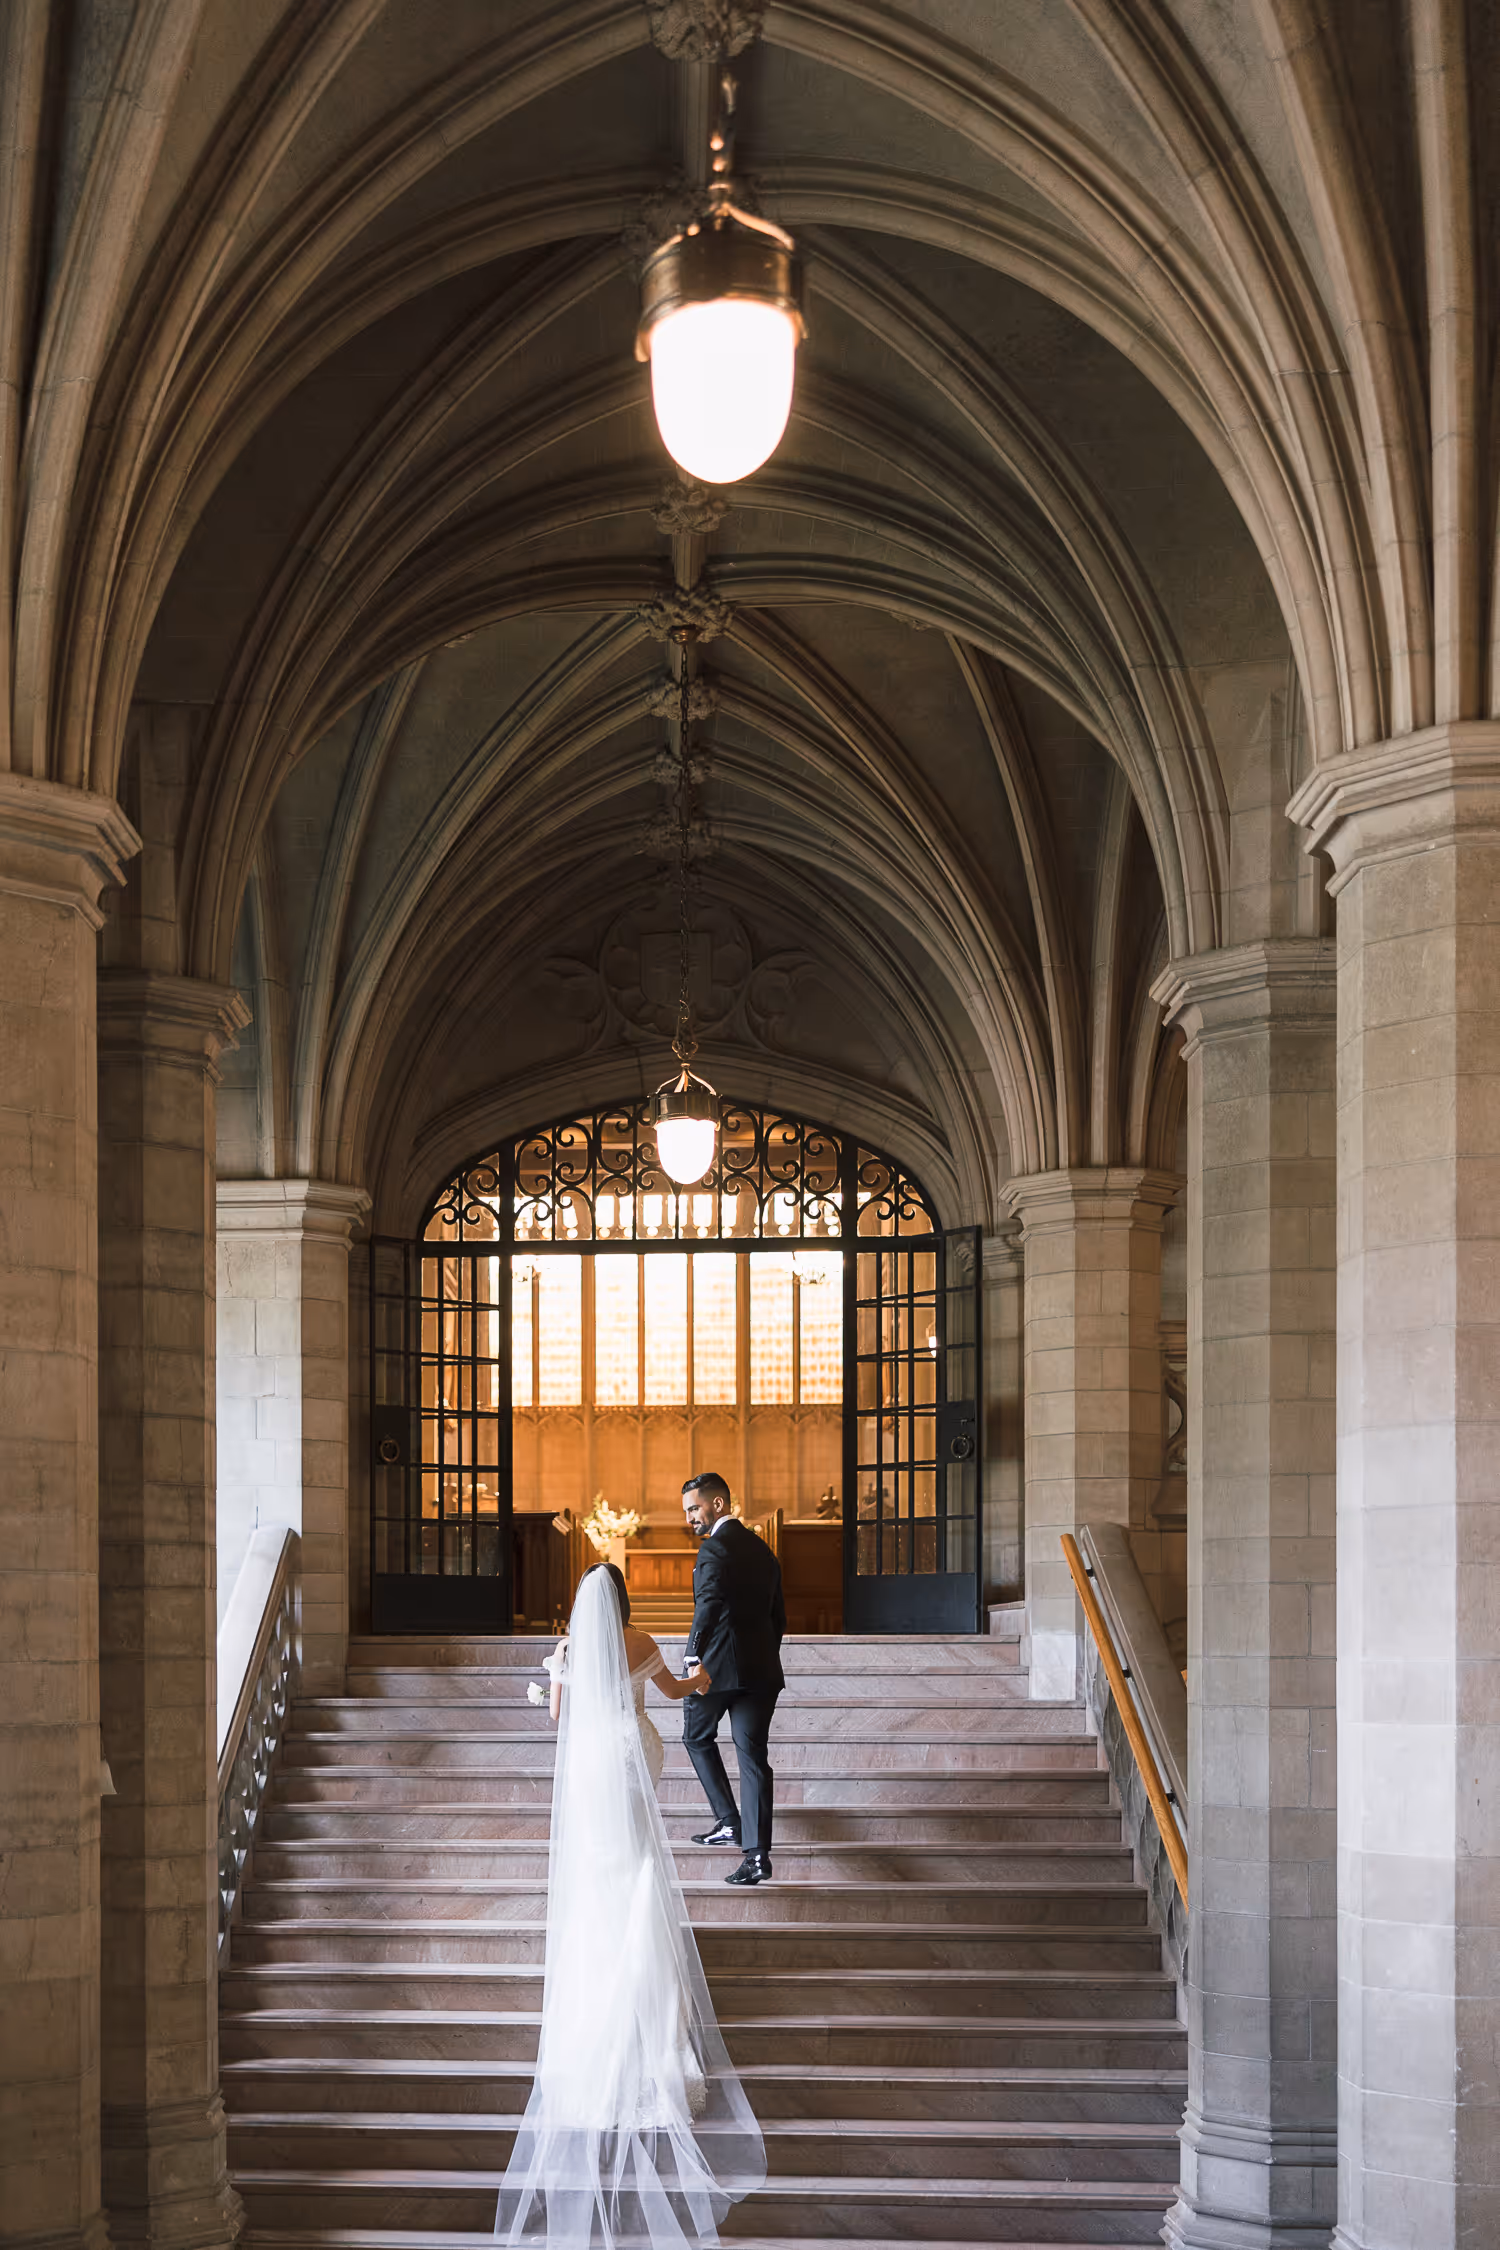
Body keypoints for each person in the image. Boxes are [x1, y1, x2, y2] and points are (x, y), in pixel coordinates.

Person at [496, 1562, 764, 2250]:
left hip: (591, 1761)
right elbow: (675, 1690)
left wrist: (551, 1684)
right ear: (622, 1599)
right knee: (640, 1860)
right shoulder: (639, 1640)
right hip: (631, 1750)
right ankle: (652, 2010)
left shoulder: (568, 1647)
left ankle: (602, 1985)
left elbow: (558, 1718)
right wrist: (704, 1675)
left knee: (598, 1870)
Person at [680, 1472, 786, 1887]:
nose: (690, 1517)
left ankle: (728, 1821)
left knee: (696, 1736)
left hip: (715, 1670)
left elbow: (706, 1605)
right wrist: (763, 1657)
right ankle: (757, 1856)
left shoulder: (714, 1549)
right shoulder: (764, 1551)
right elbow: (778, 1617)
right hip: (761, 1672)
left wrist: (693, 1656)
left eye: (694, 1507)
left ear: (718, 1504)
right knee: (753, 1757)